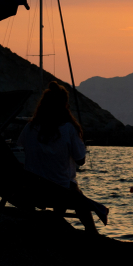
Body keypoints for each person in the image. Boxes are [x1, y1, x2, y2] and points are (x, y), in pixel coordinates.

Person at [18, 82, 109, 233]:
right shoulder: (68, 129)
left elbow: (21, 146)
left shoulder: (30, 127)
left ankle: (54, 224)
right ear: (65, 105)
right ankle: (92, 234)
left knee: (69, 191)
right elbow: (81, 160)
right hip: (60, 192)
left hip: (33, 189)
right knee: (76, 195)